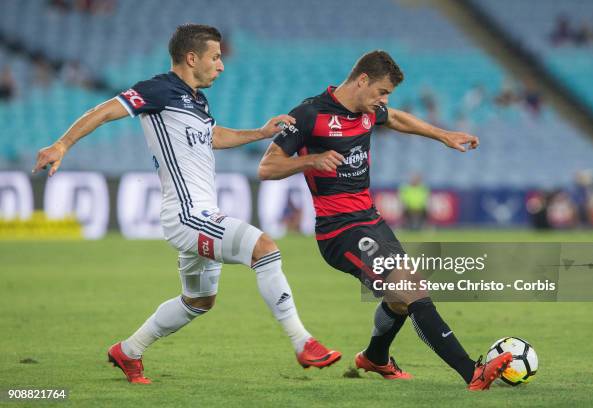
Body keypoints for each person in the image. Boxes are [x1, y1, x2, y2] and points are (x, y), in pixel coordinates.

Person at [32, 24, 340, 384]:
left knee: (198, 302)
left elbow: (213, 136)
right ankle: (303, 342)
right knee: (264, 248)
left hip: (201, 214)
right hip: (187, 216)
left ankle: (128, 351)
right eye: (215, 57)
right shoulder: (157, 89)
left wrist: (260, 132)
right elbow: (103, 111)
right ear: (192, 58)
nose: (221, 65)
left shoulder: (196, 100)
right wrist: (62, 144)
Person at [258, 50, 512, 390]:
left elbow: (395, 118)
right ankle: (472, 372)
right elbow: (267, 167)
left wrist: (443, 135)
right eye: (381, 91)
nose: (384, 100)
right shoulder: (309, 115)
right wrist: (311, 160)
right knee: (411, 288)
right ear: (362, 80)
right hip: (339, 231)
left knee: (399, 298)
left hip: (371, 220)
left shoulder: (368, 111)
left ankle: (375, 357)